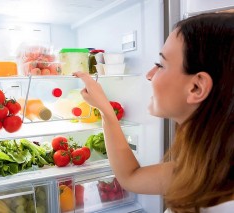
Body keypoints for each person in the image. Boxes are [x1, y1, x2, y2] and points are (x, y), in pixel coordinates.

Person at [74, 12, 234, 213]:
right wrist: (106, 111)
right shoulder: (208, 168)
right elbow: (131, 176)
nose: (150, 75)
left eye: (161, 65)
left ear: (196, 88)